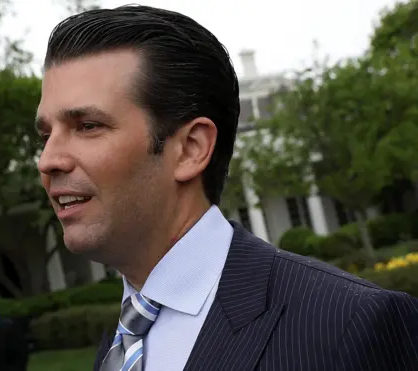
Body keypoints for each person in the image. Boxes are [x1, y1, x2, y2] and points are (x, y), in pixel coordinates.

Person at [36, 5, 418, 371]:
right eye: (46, 134)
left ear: (190, 149)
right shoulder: (118, 347)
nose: (48, 160)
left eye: (87, 126)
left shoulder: (349, 324)